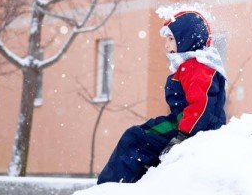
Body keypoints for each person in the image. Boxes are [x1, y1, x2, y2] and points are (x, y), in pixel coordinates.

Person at [97, 11, 227, 184]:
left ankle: (110, 186)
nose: (166, 45)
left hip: (189, 127)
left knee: (135, 137)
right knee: (144, 132)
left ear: (187, 38)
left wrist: (183, 136)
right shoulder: (194, 64)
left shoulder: (196, 66)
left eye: (171, 39)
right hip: (183, 122)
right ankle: (133, 179)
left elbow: (201, 105)